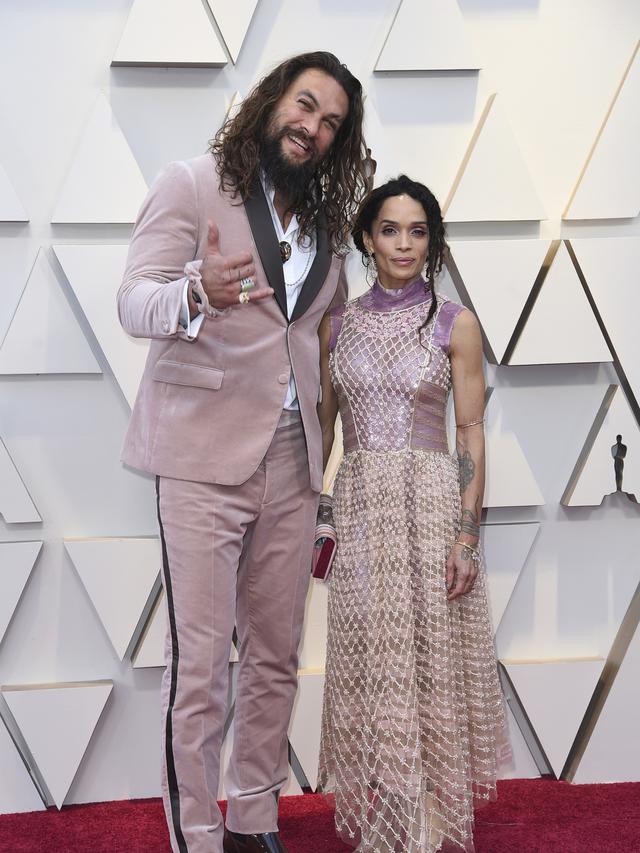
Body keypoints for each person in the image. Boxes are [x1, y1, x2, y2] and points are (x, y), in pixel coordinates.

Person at [117, 52, 368, 853]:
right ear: (271, 102)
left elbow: (319, 340)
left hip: (294, 463)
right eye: (304, 105)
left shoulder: (327, 230)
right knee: (200, 667)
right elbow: (133, 299)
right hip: (200, 462)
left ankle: (253, 816)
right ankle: (195, 832)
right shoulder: (192, 183)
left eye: (331, 121)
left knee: (275, 655)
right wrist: (197, 291)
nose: (312, 126)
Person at [316, 176, 510, 852]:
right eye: (391, 229)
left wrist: (466, 532)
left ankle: (425, 821)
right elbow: (322, 429)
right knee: (375, 661)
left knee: (429, 661)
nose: (405, 243)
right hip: (364, 506)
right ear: (368, 237)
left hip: (431, 505)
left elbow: (472, 433)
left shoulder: (455, 322)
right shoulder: (336, 324)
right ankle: (389, 810)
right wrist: (316, 517)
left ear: (433, 240)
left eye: (418, 230)